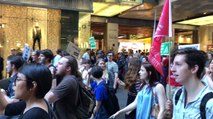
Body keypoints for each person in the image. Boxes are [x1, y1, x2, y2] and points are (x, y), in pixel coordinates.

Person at [166, 48, 213, 119]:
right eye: (172, 65)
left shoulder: (209, 102)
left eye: (178, 64)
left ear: (194, 69)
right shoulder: (178, 94)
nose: (172, 69)